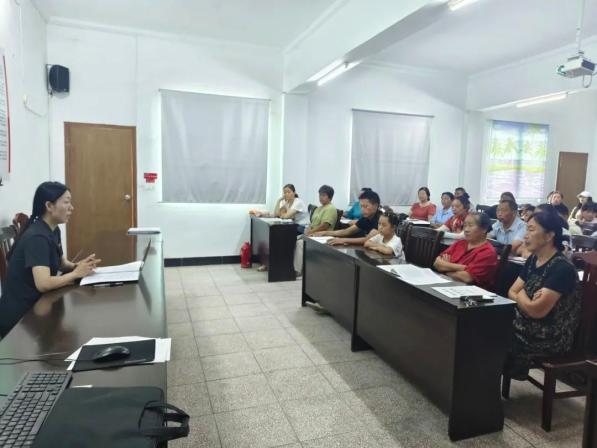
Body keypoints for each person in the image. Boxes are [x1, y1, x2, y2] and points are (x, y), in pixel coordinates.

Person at [0, 182, 100, 338]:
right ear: (49, 206)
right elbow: (43, 283)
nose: (72, 208)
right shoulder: (37, 237)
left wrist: (77, 266)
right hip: (21, 318)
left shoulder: (53, 229)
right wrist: (75, 274)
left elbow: (61, 263)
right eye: (66, 202)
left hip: (38, 305)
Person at [505, 211, 580, 380]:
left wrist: (522, 293)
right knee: (485, 325)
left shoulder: (562, 268)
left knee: (494, 336)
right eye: (526, 229)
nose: (525, 235)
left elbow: (536, 311)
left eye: (531, 229)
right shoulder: (534, 259)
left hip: (551, 336)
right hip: (526, 324)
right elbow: (511, 291)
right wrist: (526, 297)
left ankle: (486, 386)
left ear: (549, 235)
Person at [433, 212, 498, 289]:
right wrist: (462, 267)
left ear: (484, 229)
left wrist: (445, 268)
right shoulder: (460, 243)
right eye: (465, 225)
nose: (466, 230)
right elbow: (437, 263)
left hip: (470, 291)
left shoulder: (488, 252)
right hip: (447, 284)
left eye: (470, 226)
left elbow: (467, 278)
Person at [293, 185, 338, 275]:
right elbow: (312, 223)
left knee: (300, 243)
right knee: (292, 239)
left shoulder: (331, 208)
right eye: (320, 195)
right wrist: (309, 230)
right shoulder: (319, 208)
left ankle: (297, 270)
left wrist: (310, 232)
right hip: (313, 234)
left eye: (323, 195)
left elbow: (324, 226)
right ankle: (291, 266)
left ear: (330, 197)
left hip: (323, 236)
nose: (320, 197)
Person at [314, 190, 381, 246]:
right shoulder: (365, 218)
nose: (362, 210)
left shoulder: (380, 219)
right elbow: (346, 232)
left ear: (376, 205)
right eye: (361, 206)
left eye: (366, 206)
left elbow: (368, 239)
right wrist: (325, 233)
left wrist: (343, 240)